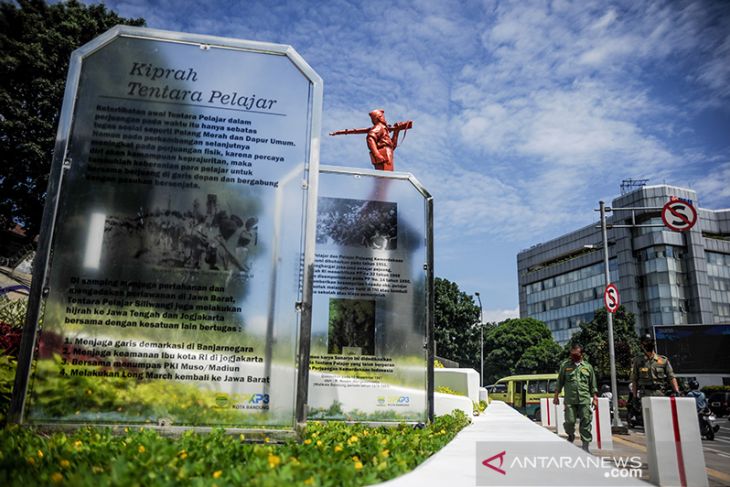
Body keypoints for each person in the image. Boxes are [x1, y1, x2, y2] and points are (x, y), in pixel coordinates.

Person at [554, 343, 598, 452]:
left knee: (586, 421)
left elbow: (593, 385)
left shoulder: (588, 367)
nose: (573, 356)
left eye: (576, 354)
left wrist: (595, 398)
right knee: (570, 421)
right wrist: (556, 396)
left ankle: (585, 446)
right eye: (572, 354)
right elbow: (560, 382)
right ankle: (570, 435)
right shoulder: (565, 366)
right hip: (570, 399)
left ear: (581, 354)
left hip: (584, 399)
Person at [630, 334, 680, 399]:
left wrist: (677, 391)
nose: (648, 344)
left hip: (660, 393)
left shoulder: (663, 360)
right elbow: (634, 380)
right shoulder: (638, 361)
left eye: (650, 342)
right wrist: (634, 397)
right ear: (642, 345)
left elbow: (671, 377)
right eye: (646, 342)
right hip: (645, 394)